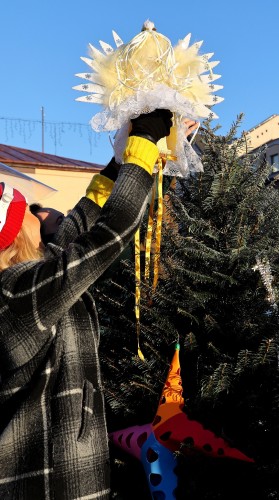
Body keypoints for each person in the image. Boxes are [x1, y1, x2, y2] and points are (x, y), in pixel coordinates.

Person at [0, 108, 173, 499]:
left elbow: (79, 227)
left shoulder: (30, 274)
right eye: (28, 211)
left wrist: (120, 162)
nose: (41, 213)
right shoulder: (14, 294)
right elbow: (106, 238)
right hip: (47, 483)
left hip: (68, 472)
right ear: (13, 237)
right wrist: (144, 144)